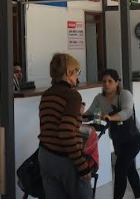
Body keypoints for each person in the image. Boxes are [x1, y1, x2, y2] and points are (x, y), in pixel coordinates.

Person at [38, 53, 92, 199]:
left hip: (45, 154)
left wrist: (77, 113)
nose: (77, 76)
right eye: (77, 71)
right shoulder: (72, 96)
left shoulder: (46, 94)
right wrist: (82, 166)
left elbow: (51, 124)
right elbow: (66, 133)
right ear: (68, 72)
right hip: (64, 157)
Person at [85, 69, 140, 199]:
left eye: (110, 81)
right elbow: (90, 113)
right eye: (104, 81)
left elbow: (127, 112)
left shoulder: (124, 94)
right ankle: (139, 197)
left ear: (117, 82)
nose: (106, 84)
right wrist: (77, 117)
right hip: (118, 139)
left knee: (120, 169)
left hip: (134, 138)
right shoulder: (99, 98)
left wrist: (111, 117)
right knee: (129, 168)